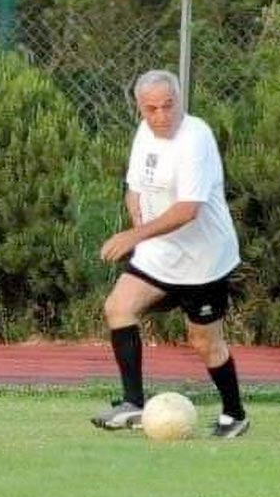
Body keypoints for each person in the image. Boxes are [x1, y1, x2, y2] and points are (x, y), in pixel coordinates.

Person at [91, 69, 249, 438]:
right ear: (139, 109)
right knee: (118, 308)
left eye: (168, 106)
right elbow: (134, 188)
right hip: (160, 254)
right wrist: (141, 231)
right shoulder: (145, 133)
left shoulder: (197, 138)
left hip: (203, 261)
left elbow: (187, 210)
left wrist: (134, 235)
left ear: (180, 101)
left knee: (204, 343)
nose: (161, 116)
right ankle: (133, 403)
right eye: (151, 109)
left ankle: (234, 414)